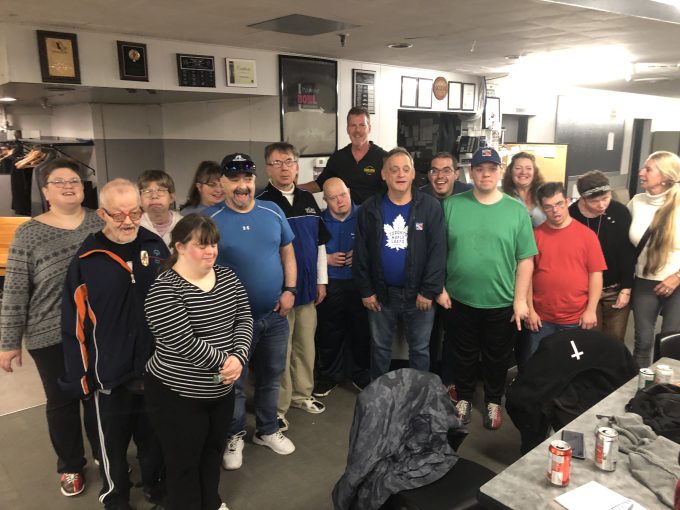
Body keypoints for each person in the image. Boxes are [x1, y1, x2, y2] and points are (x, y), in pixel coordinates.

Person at [60, 178, 169, 510]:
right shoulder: (86, 260)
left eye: (134, 212)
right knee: (111, 446)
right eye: (118, 214)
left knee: (154, 439)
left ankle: (157, 486)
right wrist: (81, 377)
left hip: (153, 370)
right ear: (101, 214)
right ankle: (115, 496)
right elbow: (73, 326)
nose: (128, 221)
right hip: (107, 374)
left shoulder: (155, 246)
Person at [0, 158, 102, 497]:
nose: (68, 185)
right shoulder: (30, 232)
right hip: (49, 333)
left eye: (73, 179)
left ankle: (105, 454)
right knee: (62, 401)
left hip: (95, 331)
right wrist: (8, 341)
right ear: (45, 190)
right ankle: (71, 464)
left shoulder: (98, 222)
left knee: (97, 398)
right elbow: (15, 289)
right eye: (58, 182)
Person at [144, 214, 253, 510]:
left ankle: (211, 501)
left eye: (214, 244)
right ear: (179, 247)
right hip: (177, 394)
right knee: (183, 462)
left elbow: (244, 317)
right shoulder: (165, 288)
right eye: (202, 245)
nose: (211, 251)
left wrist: (239, 355)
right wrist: (227, 362)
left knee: (212, 452)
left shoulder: (227, 277)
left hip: (219, 390)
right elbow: (183, 342)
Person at [205, 153, 297, 471]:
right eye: (234, 179)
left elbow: (288, 252)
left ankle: (268, 429)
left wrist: (290, 291)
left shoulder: (272, 212)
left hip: (273, 315)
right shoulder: (209, 219)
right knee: (233, 381)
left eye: (247, 179)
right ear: (222, 183)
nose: (242, 186)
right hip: (229, 322)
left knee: (272, 377)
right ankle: (235, 435)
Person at [438, 147, 536, 430]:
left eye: (491, 169)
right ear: (471, 172)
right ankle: (465, 398)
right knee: (463, 354)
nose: (485, 174)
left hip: (501, 302)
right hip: (459, 298)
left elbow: (526, 259)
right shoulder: (452, 206)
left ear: (499, 172)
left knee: (497, 357)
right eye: (479, 169)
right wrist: (440, 287)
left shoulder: (516, 210)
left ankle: (494, 401)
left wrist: (520, 301)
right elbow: (439, 252)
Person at [353, 147, 446, 380]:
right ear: (384, 174)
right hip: (381, 295)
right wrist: (366, 290)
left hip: (419, 296)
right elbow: (361, 253)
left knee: (420, 350)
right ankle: (379, 398)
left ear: (414, 174)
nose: (400, 174)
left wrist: (428, 291)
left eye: (406, 169)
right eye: (394, 170)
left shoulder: (430, 207)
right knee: (380, 349)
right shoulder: (370, 209)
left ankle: (419, 398)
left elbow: (438, 252)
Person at [256, 142, 330, 425]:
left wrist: (321, 282)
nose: (284, 168)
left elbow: (320, 244)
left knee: (305, 346)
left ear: (298, 166)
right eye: (277, 163)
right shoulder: (262, 203)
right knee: (279, 353)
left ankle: (302, 395)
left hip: (309, 290)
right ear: (268, 168)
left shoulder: (309, 200)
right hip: (281, 293)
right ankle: (279, 407)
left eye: (288, 162)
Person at [523, 182, 607, 364]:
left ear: (568, 201)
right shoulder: (535, 236)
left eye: (559, 204)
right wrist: (530, 310)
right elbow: (526, 277)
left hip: (575, 318)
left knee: (572, 367)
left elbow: (596, 275)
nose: (555, 210)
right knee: (537, 366)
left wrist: (591, 310)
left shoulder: (587, 236)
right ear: (542, 208)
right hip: (541, 319)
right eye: (549, 206)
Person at [419, 152, 471, 400]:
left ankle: (450, 381)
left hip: (457, 279)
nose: (440, 176)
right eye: (434, 171)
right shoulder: (419, 197)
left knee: (453, 336)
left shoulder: (469, 196)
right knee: (425, 334)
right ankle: (428, 383)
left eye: (446, 170)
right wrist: (435, 285)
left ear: (456, 173)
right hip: (427, 281)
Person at [313, 178, 371, 397]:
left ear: (349, 192)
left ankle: (360, 374)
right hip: (330, 284)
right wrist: (326, 258)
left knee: (361, 332)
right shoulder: (318, 220)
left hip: (359, 283)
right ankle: (329, 376)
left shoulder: (365, 215)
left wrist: (360, 255)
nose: (340, 201)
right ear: (325, 199)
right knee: (329, 333)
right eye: (333, 198)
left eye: (343, 195)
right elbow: (307, 249)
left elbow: (377, 244)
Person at [628, 151, 680, 368]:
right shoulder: (636, 202)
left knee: (670, 344)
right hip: (644, 282)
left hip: (676, 284)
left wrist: (676, 277)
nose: (641, 173)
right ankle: (639, 393)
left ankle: (665, 394)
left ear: (666, 176)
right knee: (643, 343)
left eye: (648, 169)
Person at [569, 171, 635, 341]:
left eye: (605, 198)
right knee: (590, 340)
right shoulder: (571, 215)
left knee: (614, 341)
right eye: (594, 201)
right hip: (584, 290)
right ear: (582, 198)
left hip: (615, 288)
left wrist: (626, 288)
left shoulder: (620, 212)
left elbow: (627, 252)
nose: (601, 205)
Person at [299, 107, 387, 204]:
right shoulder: (338, 158)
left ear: (369, 128)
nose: (357, 130)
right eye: (353, 125)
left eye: (362, 125)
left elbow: (393, 189)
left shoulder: (383, 158)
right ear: (347, 129)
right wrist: (290, 188)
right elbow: (319, 185)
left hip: (373, 216)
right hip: (344, 217)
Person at [138, 169, 182, 247]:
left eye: (161, 190)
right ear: (139, 200)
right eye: (147, 191)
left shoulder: (184, 224)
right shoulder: (135, 226)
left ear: (171, 197)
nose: (154, 196)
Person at [501, 152, 546, 227]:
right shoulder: (502, 197)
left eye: (528, 168)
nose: (523, 172)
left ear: (534, 172)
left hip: (544, 238)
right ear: (511, 171)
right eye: (518, 168)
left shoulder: (545, 193)